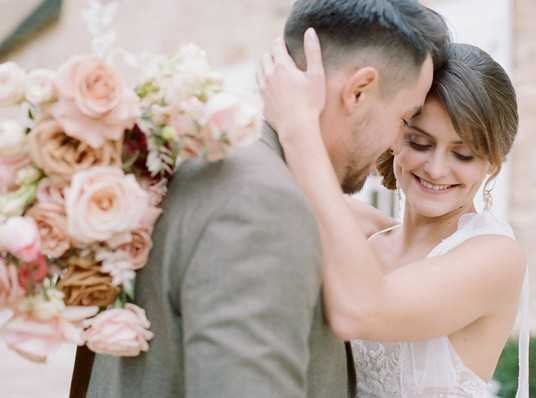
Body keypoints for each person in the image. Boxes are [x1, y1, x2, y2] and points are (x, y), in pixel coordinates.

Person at [70, 1, 449, 397]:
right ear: (358, 91)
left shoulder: (189, 161)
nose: (395, 144)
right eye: (405, 119)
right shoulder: (266, 205)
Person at [259, 34, 529, 397]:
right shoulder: (365, 232)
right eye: (420, 142)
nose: (435, 168)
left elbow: (360, 310)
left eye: (463, 155)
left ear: (492, 163)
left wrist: (298, 127)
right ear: (395, 132)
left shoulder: (496, 257)